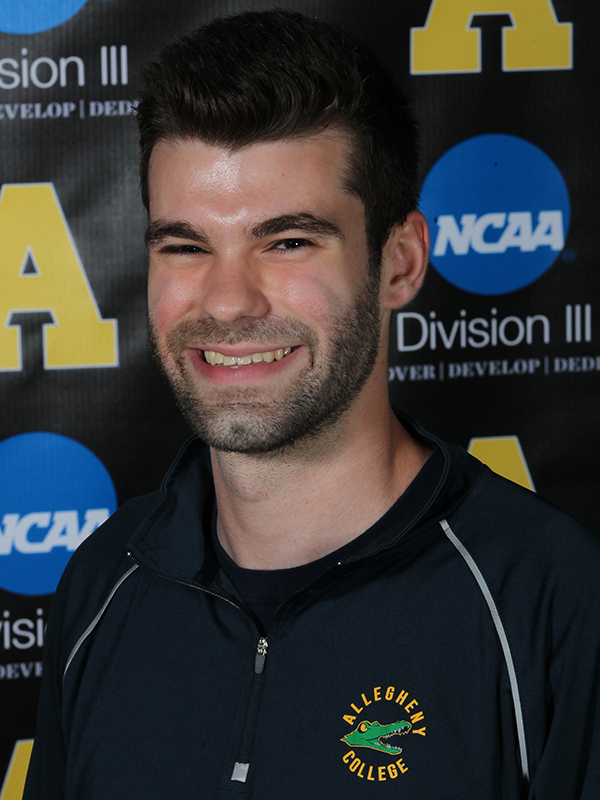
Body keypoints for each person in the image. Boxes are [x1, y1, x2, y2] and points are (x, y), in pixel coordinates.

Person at [24, 9, 600, 799]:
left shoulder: (554, 600)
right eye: (186, 246)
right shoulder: (99, 583)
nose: (226, 303)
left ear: (400, 263)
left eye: (287, 241)